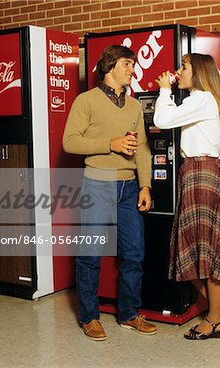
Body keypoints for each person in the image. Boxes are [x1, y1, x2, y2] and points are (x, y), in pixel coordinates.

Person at [62, 45, 157, 341]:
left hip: (129, 189)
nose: (132, 69)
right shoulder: (86, 101)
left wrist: (145, 185)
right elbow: (70, 142)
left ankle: (129, 313)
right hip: (96, 185)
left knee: (134, 255)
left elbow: (141, 148)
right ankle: (89, 317)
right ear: (110, 66)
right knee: (90, 255)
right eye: (128, 64)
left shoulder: (133, 106)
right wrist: (110, 144)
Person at [154, 53, 220, 340]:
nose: (178, 71)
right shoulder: (205, 98)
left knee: (206, 250)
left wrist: (165, 89)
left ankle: (214, 320)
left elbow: (162, 118)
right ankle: (218, 315)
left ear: (198, 72)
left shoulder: (201, 99)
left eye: (184, 67)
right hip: (197, 173)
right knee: (195, 249)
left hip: (200, 174)